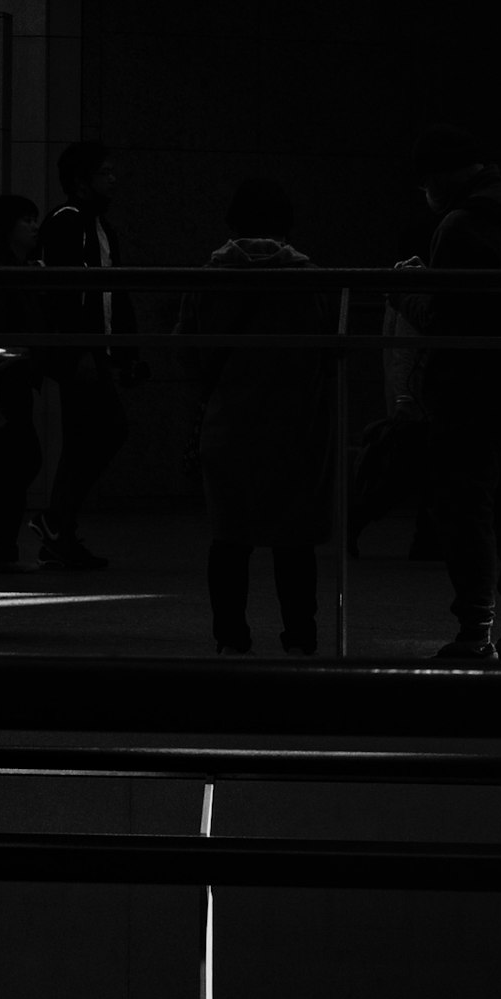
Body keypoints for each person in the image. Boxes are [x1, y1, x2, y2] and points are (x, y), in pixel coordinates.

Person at [178, 179, 334, 654]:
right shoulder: (308, 278)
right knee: (294, 539)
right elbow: (323, 351)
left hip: (230, 419)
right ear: (287, 225)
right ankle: (301, 635)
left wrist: (213, 393)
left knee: (230, 537)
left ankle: (231, 636)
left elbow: (189, 350)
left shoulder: (211, 276)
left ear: (233, 223)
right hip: (292, 422)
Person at [409, 125, 501, 662]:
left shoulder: (461, 224)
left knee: (467, 508)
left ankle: (474, 631)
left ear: (442, 176)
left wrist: (407, 294)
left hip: (468, 387)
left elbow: (447, 319)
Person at [33, 140, 139, 571]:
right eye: (105, 173)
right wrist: (79, 350)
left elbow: (113, 293)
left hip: (93, 350)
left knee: (85, 438)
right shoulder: (68, 221)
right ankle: (56, 521)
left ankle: (59, 530)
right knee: (106, 429)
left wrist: (124, 350)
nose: (113, 179)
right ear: (81, 181)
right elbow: (65, 294)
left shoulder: (99, 227)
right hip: (82, 350)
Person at [0, 193, 47, 572]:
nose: (35, 226)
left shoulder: (18, 268)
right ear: (7, 230)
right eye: (26, 221)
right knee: (14, 456)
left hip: (8, 377)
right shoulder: (1, 272)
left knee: (7, 457)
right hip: (2, 378)